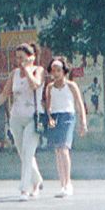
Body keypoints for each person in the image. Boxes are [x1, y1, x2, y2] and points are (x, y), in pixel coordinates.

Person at [0, 43, 46, 198]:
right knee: (23, 153)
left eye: (22, 57)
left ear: (31, 57)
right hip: (16, 117)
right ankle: (37, 180)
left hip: (33, 117)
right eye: (17, 57)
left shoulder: (38, 70)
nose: (19, 61)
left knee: (28, 152)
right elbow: (5, 93)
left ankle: (24, 188)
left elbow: (35, 85)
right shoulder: (14, 74)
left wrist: (27, 70)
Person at [43, 58, 88, 197]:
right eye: (53, 71)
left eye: (58, 70)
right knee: (57, 150)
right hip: (55, 117)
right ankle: (62, 184)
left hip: (68, 116)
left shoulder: (71, 85)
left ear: (64, 71)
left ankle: (68, 183)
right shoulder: (49, 87)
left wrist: (83, 122)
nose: (56, 73)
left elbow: (79, 104)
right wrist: (49, 118)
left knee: (64, 149)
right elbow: (48, 106)